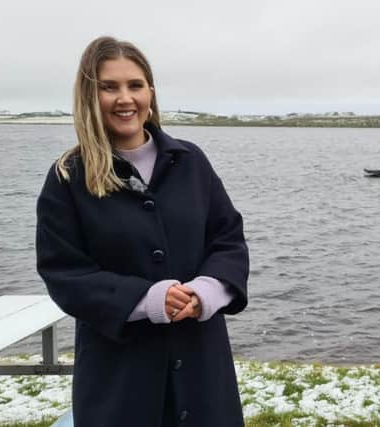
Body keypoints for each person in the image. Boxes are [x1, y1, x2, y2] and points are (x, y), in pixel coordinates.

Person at [36, 36, 249, 426]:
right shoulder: (68, 176)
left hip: (202, 371)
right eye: (109, 87)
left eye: (135, 85)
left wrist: (205, 292)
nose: (125, 98)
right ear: (88, 95)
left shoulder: (190, 161)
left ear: (150, 91)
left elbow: (228, 238)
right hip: (118, 380)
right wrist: (147, 300)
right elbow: (64, 273)